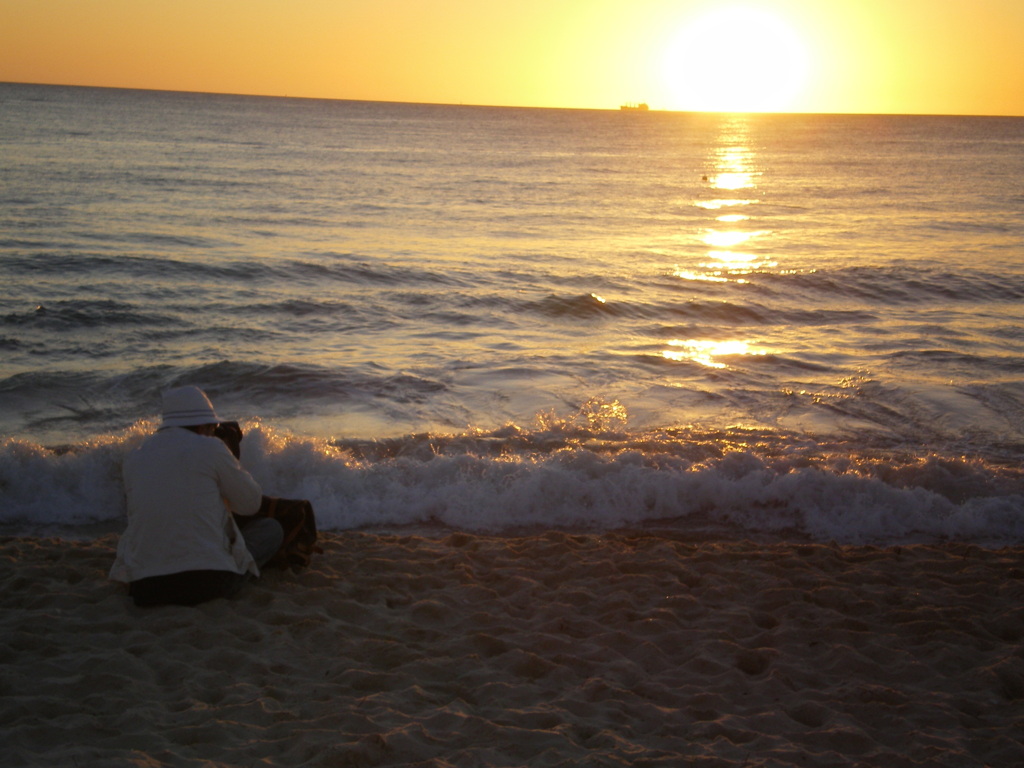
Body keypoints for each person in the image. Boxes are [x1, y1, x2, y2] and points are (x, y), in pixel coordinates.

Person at [109, 386, 284, 606]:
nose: (214, 432)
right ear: (203, 425)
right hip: (208, 582)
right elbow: (250, 504)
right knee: (271, 529)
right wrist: (230, 458)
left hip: (146, 588)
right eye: (214, 427)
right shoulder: (211, 447)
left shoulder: (135, 457)